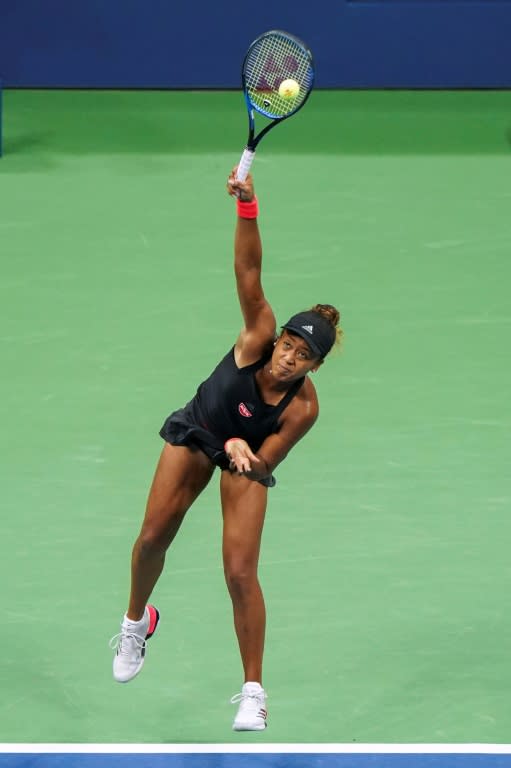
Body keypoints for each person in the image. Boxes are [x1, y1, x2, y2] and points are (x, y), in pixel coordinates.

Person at [110, 167, 342, 732]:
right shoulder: (258, 335)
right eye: (287, 344)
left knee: (240, 573)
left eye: (301, 356)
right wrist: (248, 205)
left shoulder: (303, 408)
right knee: (151, 538)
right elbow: (249, 271)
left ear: (314, 367)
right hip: (198, 433)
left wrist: (247, 452)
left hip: (246, 460)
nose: (287, 357)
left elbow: (267, 461)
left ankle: (253, 691)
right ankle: (137, 622)